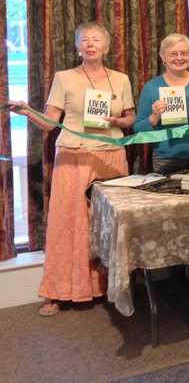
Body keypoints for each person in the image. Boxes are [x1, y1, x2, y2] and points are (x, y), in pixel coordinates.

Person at [9, 21, 135, 316]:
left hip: (110, 157)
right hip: (72, 157)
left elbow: (130, 119)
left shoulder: (121, 79)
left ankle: (108, 286)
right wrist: (27, 111)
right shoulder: (64, 78)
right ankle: (58, 290)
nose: (90, 44)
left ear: (105, 46)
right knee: (68, 224)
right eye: (84, 40)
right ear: (77, 47)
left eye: (96, 40)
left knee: (108, 224)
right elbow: (51, 123)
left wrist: (118, 122)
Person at [134, 33, 189, 174]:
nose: (179, 58)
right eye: (173, 54)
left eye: (184, 53)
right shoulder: (151, 87)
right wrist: (154, 117)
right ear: (163, 57)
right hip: (165, 160)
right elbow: (138, 129)